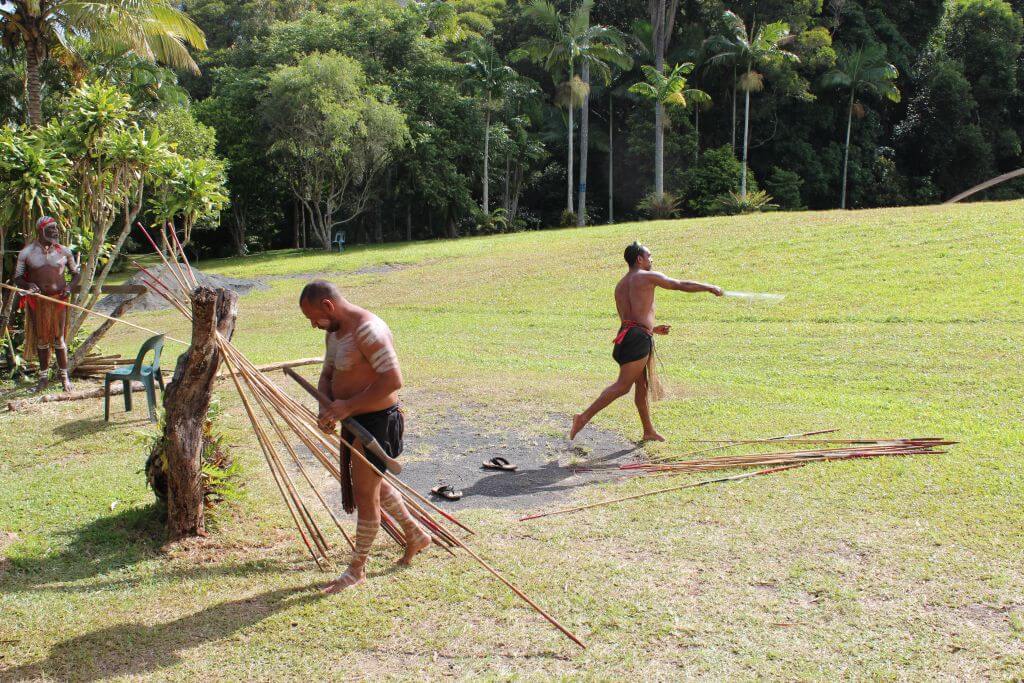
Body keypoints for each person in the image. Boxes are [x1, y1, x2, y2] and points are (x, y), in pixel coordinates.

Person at [298, 280, 431, 593]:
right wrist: (326, 408)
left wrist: (347, 406)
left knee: (365, 496)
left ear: (328, 306)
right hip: (351, 418)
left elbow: (393, 380)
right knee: (373, 485)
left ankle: (357, 568)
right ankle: (414, 534)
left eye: (314, 318)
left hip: (376, 422)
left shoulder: (369, 331)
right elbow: (328, 375)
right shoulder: (334, 333)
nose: (314, 326)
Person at [570, 241, 723, 442]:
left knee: (641, 387)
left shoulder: (621, 285)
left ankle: (648, 430)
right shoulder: (647, 276)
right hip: (637, 339)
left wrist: (652, 329)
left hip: (626, 337)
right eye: (649, 256)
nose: (652, 259)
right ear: (639, 259)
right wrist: (709, 287)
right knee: (623, 386)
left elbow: (629, 319)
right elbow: (679, 284)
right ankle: (582, 418)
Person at [14, 216, 80, 392]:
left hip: (59, 300)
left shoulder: (64, 252)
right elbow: (17, 278)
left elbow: (76, 274)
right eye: (51, 229)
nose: (55, 232)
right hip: (38, 301)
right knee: (42, 339)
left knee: (59, 338)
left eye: (56, 228)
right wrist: (28, 285)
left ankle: (64, 378)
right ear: (41, 230)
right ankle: (43, 379)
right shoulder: (26, 253)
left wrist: (69, 287)